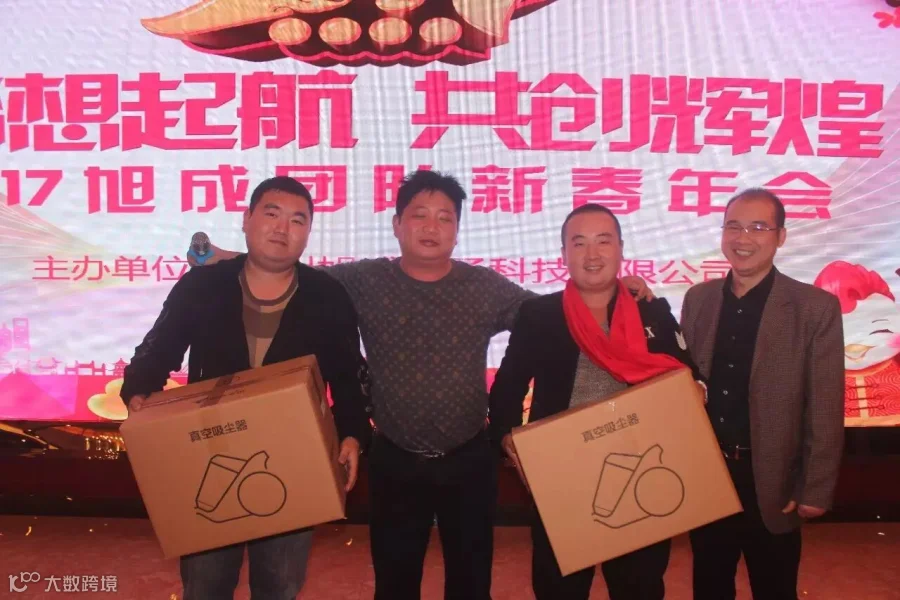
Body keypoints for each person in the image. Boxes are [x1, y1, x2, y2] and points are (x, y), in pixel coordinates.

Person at [186, 169, 653, 600]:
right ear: (396, 224)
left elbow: (555, 314)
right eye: (419, 215)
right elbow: (290, 273)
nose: (432, 227)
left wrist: (617, 290)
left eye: (445, 217)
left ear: (457, 230)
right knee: (395, 584)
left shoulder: (484, 286)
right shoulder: (366, 280)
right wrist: (224, 259)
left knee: (471, 585)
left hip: (469, 460)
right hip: (395, 461)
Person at [120, 176, 372, 600]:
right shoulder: (203, 285)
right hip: (209, 455)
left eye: (297, 220)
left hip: (294, 459)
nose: (282, 228)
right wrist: (139, 391)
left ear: (308, 232)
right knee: (205, 585)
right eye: (272, 214)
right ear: (246, 219)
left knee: (280, 585)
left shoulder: (326, 296)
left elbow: (348, 375)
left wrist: (353, 434)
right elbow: (158, 348)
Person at [488, 203, 703, 600]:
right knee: (559, 590)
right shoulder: (540, 314)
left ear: (620, 249)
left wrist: (694, 393)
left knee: (639, 588)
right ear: (563, 254)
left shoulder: (650, 310)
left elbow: (689, 376)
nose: (592, 254)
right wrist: (507, 438)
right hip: (564, 478)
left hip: (638, 470)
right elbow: (507, 388)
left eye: (603, 241)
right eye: (579, 243)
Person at [680, 188, 845, 600]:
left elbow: (825, 404)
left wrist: (815, 489)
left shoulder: (814, 308)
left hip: (774, 479)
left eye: (758, 228)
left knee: (775, 588)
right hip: (710, 476)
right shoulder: (699, 299)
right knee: (709, 586)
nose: (743, 238)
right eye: (733, 227)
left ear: (781, 236)